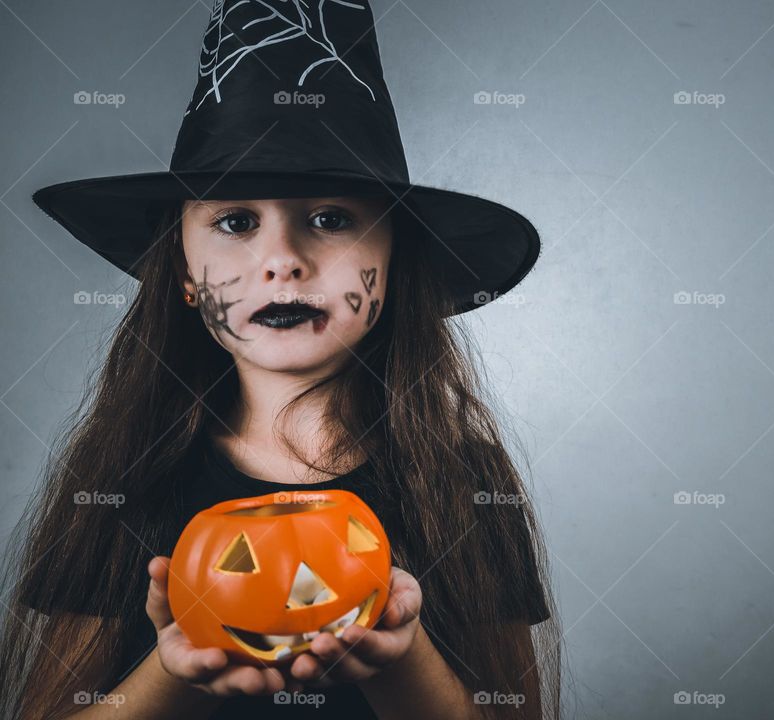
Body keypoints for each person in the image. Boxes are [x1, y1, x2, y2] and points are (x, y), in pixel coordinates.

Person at [0, 1, 562, 718]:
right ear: (180, 267)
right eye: (235, 222)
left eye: (330, 219)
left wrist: (398, 659)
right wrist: (177, 668)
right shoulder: (124, 478)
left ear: (392, 259)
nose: (282, 263)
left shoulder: (465, 484)